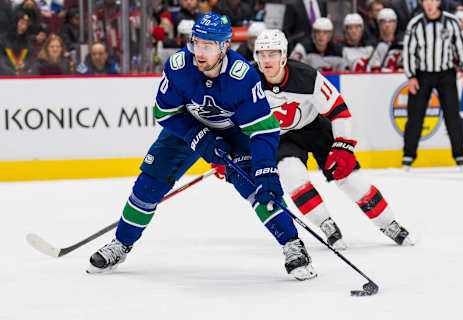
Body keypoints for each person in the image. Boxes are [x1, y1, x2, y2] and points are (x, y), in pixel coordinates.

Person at [87, 13, 317, 281]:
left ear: (224, 46)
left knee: (258, 188)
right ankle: (121, 243)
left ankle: (292, 244)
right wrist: (200, 138)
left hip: (234, 133)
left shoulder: (243, 76)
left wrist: (266, 169)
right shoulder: (178, 66)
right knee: (148, 185)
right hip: (187, 129)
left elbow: (263, 128)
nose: (200, 51)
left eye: (208, 45)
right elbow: (165, 113)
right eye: (196, 43)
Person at [238, 29, 413, 248]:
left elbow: (339, 110)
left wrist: (343, 146)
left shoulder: (306, 76)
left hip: (315, 129)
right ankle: (326, 224)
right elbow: (232, 118)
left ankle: (389, 223)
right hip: (282, 139)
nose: (267, 60)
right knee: (293, 175)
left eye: (272, 54)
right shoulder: (247, 82)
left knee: (349, 177)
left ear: (284, 55)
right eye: (262, 55)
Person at [402, 0, 463, 169]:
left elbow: (461, 44)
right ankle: (408, 156)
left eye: (433, 0)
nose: (429, 5)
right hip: (422, 75)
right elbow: (408, 51)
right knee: (415, 116)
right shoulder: (416, 23)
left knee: (452, 115)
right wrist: (411, 76)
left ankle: (460, 155)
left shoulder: (451, 21)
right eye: (426, 1)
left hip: (446, 74)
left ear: (438, 2)